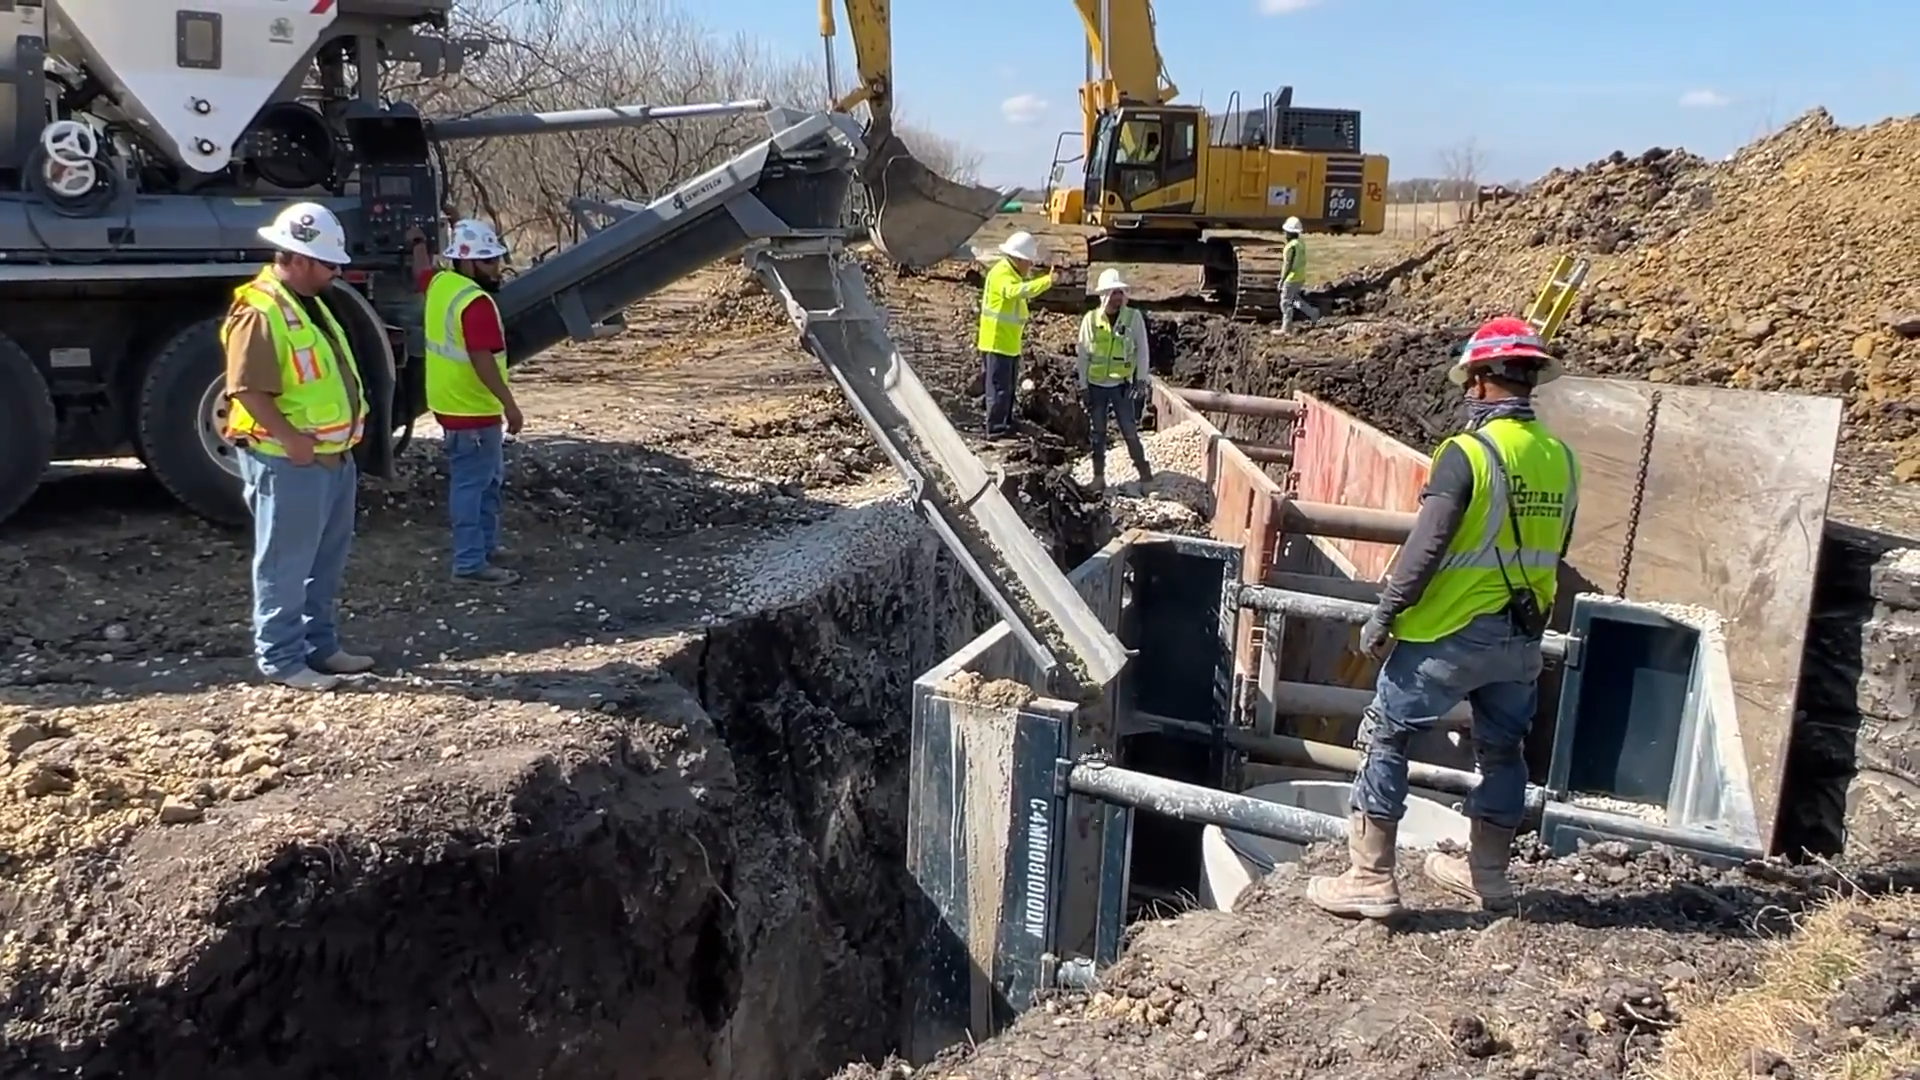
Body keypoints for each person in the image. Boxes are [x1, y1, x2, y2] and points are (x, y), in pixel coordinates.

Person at [1307, 317, 1580, 919]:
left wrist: (1384, 614)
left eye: (1471, 382)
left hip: (1448, 632)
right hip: (1521, 637)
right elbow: (1557, 545)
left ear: (1484, 381)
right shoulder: (1561, 459)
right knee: (1504, 751)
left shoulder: (1467, 454)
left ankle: (1370, 877)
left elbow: (1425, 547)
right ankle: (1489, 877)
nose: (1466, 394)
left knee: (1387, 734)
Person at [222, 202, 375, 691]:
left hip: (331, 459)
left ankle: (321, 647)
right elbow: (245, 388)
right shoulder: (261, 310)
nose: (336, 272)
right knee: (285, 563)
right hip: (288, 461)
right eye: (330, 264)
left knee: (323, 561)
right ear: (301, 258)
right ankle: (283, 659)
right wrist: (292, 441)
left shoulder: (307, 303)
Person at [409, 218, 523, 587]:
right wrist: (510, 404)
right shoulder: (475, 303)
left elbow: (422, 273)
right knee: (473, 486)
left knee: (486, 480)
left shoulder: (442, 284)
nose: (496, 268)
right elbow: (481, 358)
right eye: (488, 261)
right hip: (472, 409)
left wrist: (417, 245)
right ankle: (470, 562)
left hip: (454, 403)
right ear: (468, 263)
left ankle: (485, 547)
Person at [1075, 268, 1154, 491]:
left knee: (1129, 430)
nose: (1117, 297)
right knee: (1097, 433)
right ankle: (1098, 478)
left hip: (1121, 386)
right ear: (1103, 295)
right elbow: (1083, 355)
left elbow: (1142, 350)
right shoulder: (1091, 320)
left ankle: (1145, 477)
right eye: (1113, 293)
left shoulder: (1132, 318)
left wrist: (1141, 379)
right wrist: (1083, 386)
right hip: (1097, 386)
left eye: (1120, 292)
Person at [976, 230, 1056, 438]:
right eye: (1028, 261)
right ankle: (995, 428)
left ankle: (1005, 422)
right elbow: (1017, 292)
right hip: (997, 341)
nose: (1030, 266)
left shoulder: (1012, 274)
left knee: (1008, 388)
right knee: (999, 388)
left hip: (1008, 343)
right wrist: (1048, 281)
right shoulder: (1002, 273)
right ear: (1019, 258)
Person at [1278, 216, 1318, 332]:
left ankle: (1286, 328)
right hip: (1300, 277)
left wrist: (1282, 280)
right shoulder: (1300, 243)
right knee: (1295, 299)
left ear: (1290, 233)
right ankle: (1312, 312)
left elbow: (1287, 265)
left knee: (1285, 302)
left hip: (1291, 278)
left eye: (1286, 232)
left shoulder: (1290, 247)